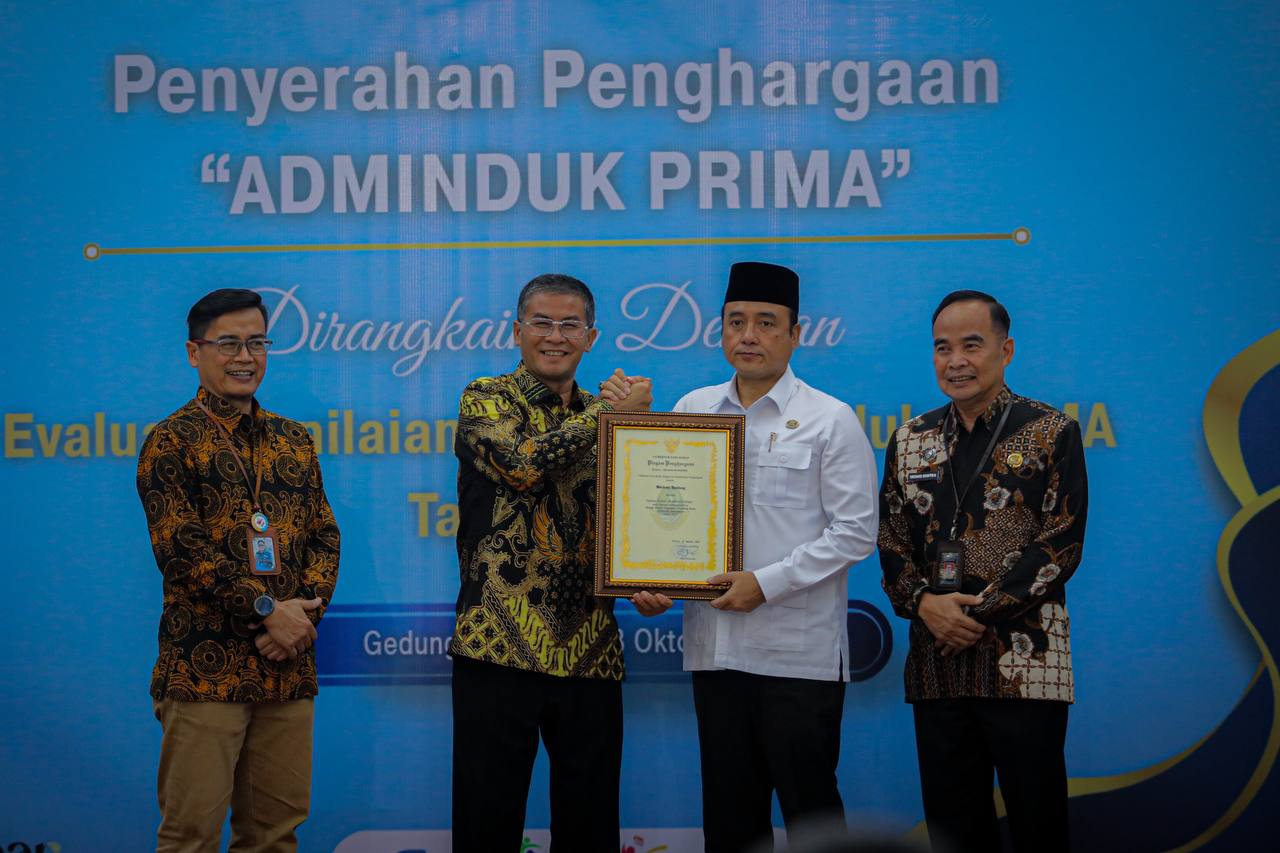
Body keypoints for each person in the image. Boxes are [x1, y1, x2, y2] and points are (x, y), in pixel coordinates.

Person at [628, 261, 879, 853]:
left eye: (766, 323)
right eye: (736, 321)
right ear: (720, 330)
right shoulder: (694, 409)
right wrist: (653, 579)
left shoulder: (829, 418)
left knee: (812, 818)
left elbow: (856, 532)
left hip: (797, 655)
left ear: (796, 334)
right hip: (716, 651)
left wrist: (765, 583)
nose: (748, 335)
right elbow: (660, 511)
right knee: (730, 821)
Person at [878, 290, 1088, 852]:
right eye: (942, 348)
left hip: (1025, 661)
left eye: (971, 345)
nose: (956, 361)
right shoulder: (910, 440)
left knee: (1038, 824)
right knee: (953, 830)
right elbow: (891, 542)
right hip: (937, 665)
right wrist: (926, 605)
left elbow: (1061, 544)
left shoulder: (1051, 432)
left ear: (1005, 350)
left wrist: (972, 616)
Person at [449, 273, 652, 853]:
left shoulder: (607, 415)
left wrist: (651, 578)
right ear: (517, 331)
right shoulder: (487, 397)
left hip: (590, 648)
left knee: (591, 827)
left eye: (570, 325)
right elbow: (523, 465)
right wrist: (610, 415)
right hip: (498, 645)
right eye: (542, 323)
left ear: (591, 337)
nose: (555, 336)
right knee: (487, 825)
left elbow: (634, 515)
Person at [137, 288, 341, 852]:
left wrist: (299, 618)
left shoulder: (294, 440)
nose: (244, 357)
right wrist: (267, 610)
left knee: (276, 835)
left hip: (286, 669)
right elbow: (181, 551)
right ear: (194, 352)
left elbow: (324, 536)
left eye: (257, 342)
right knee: (191, 836)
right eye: (228, 343)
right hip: (205, 670)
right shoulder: (170, 441)